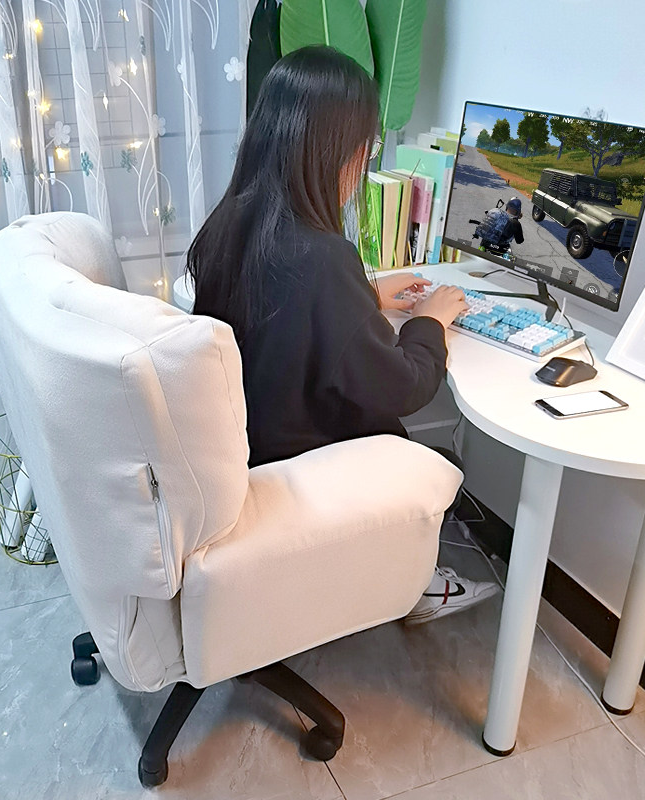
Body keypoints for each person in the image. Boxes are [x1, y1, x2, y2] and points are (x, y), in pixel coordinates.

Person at [187, 45, 498, 625]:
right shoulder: (322, 256)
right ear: (343, 155)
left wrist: (366, 295)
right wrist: (431, 319)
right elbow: (404, 386)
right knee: (425, 451)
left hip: (248, 444)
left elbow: (279, 311)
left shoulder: (230, 222)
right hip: (301, 465)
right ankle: (410, 585)